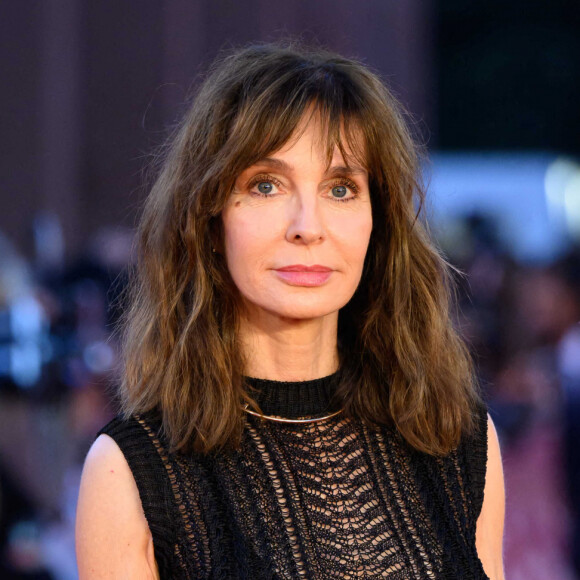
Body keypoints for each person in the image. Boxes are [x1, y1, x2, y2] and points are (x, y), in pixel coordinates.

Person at [75, 42, 505, 579]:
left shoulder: (457, 440)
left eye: (342, 188)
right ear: (209, 219)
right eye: (266, 185)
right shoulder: (132, 472)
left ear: (380, 222)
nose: (308, 225)